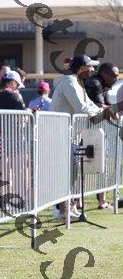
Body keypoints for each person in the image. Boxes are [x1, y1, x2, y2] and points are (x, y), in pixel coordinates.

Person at [50, 55, 118, 221]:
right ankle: (62, 211)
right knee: (65, 174)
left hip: (70, 135)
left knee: (73, 174)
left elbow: (90, 105)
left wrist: (104, 111)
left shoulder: (77, 82)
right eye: (90, 67)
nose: (93, 70)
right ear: (81, 68)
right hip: (61, 134)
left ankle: (69, 208)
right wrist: (104, 111)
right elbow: (81, 107)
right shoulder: (69, 82)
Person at [84, 62, 119, 209]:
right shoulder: (95, 83)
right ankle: (77, 202)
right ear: (104, 74)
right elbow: (99, 106)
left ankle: (102, 200)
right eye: (114, 75)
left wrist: (112, 110)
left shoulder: (103, 85)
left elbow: (109, 108)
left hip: (95, 131)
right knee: (82, 167)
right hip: (86, 131)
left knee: (101, 166)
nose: (116, 78)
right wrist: (112, 110)